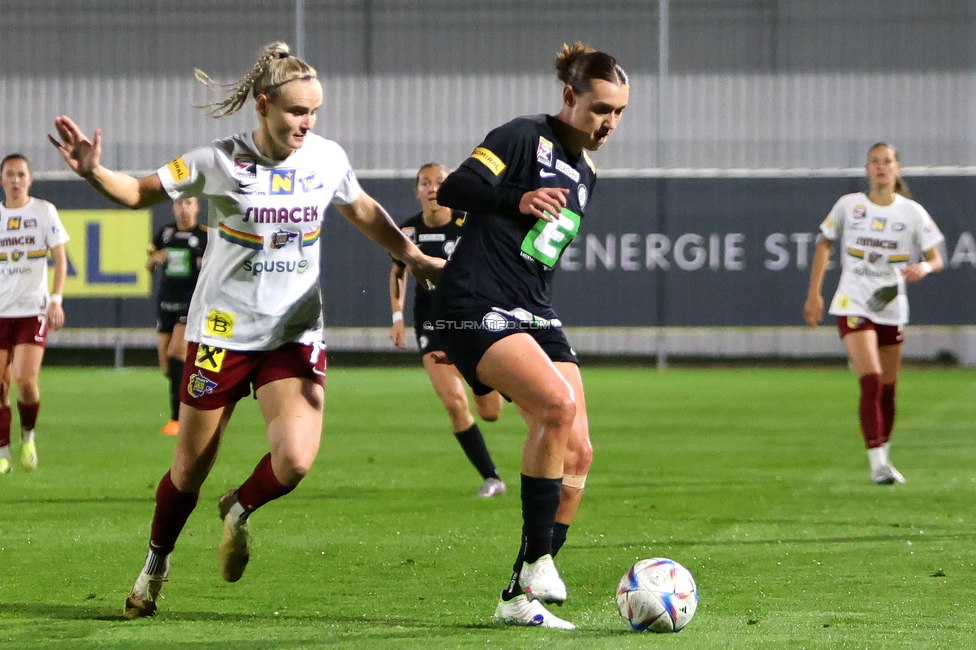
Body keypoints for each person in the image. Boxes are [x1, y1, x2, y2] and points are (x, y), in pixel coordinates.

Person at [49, 41, 442, 619]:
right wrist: (92, 172)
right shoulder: (218, 161)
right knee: (187, 470)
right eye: (295, 112)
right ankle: (155, 564)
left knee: (296, 461)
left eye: (314, 112)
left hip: (294, 335)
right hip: (222, 336)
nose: (307, 123)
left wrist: (414, 256)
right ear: (263, 105)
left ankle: (238, 509)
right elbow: (136, 193)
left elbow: (363, 211)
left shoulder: (327, 158)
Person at [430, 43, 629, 630]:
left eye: (619, 112)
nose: (609, 123)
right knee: (556, 406)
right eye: (600, 109)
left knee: (580, 451)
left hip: (535, 311)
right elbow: (455, 190)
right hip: (476, 304)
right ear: (570, 97)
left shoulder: (588, 170)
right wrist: (516, 197)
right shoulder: (521, 136)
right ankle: (540, 560)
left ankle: (519, 594)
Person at [804, 142, 944, 485]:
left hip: (891, 306)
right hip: (853, 302)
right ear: (867, 169)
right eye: (874, 162)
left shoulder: (911, 212)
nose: (881, 167)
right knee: (870, 379)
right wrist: (814, 294)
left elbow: (937, 257)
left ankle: (885, 454)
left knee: (888, 389)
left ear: (897, 169)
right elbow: (824, 243)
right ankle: (878, 464)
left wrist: (924, 267)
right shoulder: (849, 206)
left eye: (887, 162)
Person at [389, 163, 506, 498]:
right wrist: (396, 316)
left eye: (439, 182)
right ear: (417, 191)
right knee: (454, 402)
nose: (432, 188)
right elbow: (399, 272)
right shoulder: (408, 230)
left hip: (473, 319)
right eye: (425, 183)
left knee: (490, 413)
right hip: (432, 323)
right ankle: (492, 478)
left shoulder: (469, 222)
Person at [0, 153, 69, 475]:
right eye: (10, 174)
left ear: (30, 179)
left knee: (25, 381)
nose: (15, 180)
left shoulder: (43, 211)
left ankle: (28, 435)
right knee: (0, 385)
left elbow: (60, 259)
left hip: (32, 310)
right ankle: (3, 451)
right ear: (2, 179)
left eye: (21, 174)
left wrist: (56, 299)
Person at [147, 197, 207, 436]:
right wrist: (153, 260)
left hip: (191, 303)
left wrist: (206, 264)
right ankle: (198, 394)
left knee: (176, 353)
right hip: (166, 301)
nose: (184, 208)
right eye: (180, 203)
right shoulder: (165, 233)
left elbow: (218, 268)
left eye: (189, 203)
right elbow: (149, 262)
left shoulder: (205, 236)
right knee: (167, 365)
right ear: (173, 207)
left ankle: (177, 419)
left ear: (197, 207)